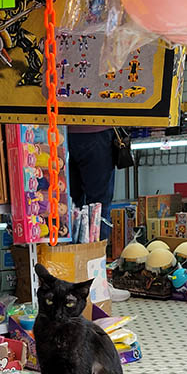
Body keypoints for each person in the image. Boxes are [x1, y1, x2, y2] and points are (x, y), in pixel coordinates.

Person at [67, 126, 129, 301]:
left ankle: (70, 277)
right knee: (98, 209)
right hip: (97, 129)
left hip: (64, 132)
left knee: (71, 206)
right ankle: (97, 284)